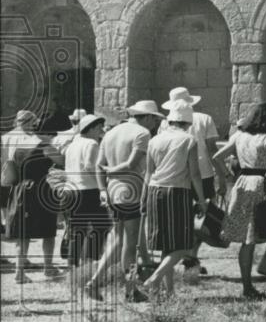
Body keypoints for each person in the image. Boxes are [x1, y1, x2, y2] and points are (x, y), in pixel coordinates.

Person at [214, 102, 266, 300]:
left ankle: (247, 285)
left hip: (242, 183)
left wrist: (228, 176)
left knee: (247, 238)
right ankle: (264, 264)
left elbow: (216, 157)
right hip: (261, 183)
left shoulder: (238, 136)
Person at [87, 101, 165, 301]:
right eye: (154, 119)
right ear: (147, 117)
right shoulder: (142, 134)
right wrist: (111, 172)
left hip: (113, 191)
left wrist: (103, 189)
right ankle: (130, 289)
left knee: (117, 240)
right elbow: (131, 164)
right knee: (130, 244)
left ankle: (95, 281)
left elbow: (98, 165)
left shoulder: (111, 133)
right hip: (132, 189)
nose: (155, 124)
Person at [138, 102, 207, 299]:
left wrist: (144, 197)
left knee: (167, 245)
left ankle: (169, 292)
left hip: (154, 191)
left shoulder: (155, 140)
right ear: (188, 122)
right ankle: (155, 279)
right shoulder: (189, 140)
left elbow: (148, 173)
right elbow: (194, 173)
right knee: (183, 245)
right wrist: (201, 200)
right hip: (178, 192)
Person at [160, 86, 225, 276]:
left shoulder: (166, 122)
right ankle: (191, 256)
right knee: (202, 218)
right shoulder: (205, 119)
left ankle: (183, 257)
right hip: (203, 174)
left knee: (182, 218)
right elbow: (213, 150)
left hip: (177, 176)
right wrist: (221, 175)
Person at [3, 109, 62, 284]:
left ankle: (19, 271)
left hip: (21, 189)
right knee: (48, 231)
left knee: (24, 233)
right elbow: (62, 160)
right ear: (34, 123)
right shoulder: (42, 144)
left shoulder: (14, 146)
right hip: (40, 190)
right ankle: (48, 268)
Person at [63, 113, 112, 291]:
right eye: (99, 127)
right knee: (101, 227)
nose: (101, 130)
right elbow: (91, 167)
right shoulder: (91, 143)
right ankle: (90, 263)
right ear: (90, 128)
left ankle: (73, 269)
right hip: (88, 191)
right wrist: (104, 182)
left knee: (77, 232)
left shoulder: (72, 145)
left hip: (72, 191)